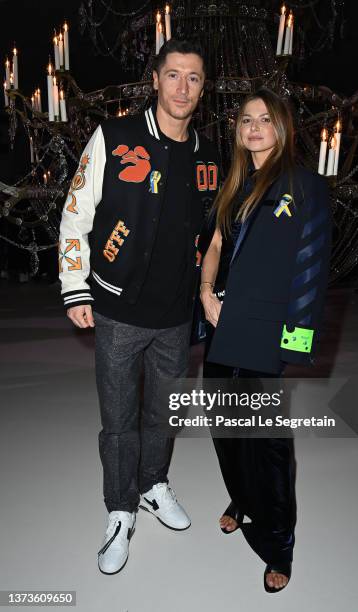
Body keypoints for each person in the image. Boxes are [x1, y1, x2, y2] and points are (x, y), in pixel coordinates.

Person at [58, 38, 220, 575]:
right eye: (173, 75)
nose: (182, 87)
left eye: (193, 78)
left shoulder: (209, 153)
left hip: (176, 316)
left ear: (202, 87)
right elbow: (76, 213)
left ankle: (153, 485)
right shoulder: (116, 136)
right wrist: (75, 286)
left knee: (163, 413)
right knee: (119, 418)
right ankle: (120, 508)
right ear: (155, 79)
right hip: (117, 309)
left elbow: (214, 233)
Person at [199, 88, 332, 592]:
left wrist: (294, 343)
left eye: (264, 119)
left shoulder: (306, 185)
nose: (253, 127)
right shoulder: (232, 185)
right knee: (223, 427)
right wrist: (207, 293)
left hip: (267, 331)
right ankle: (241, 499)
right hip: (224, 323)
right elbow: (212, 243)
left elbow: (312, 268)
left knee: (268, 443)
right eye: (246, 120)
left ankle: (279, 544)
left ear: (281, 127)